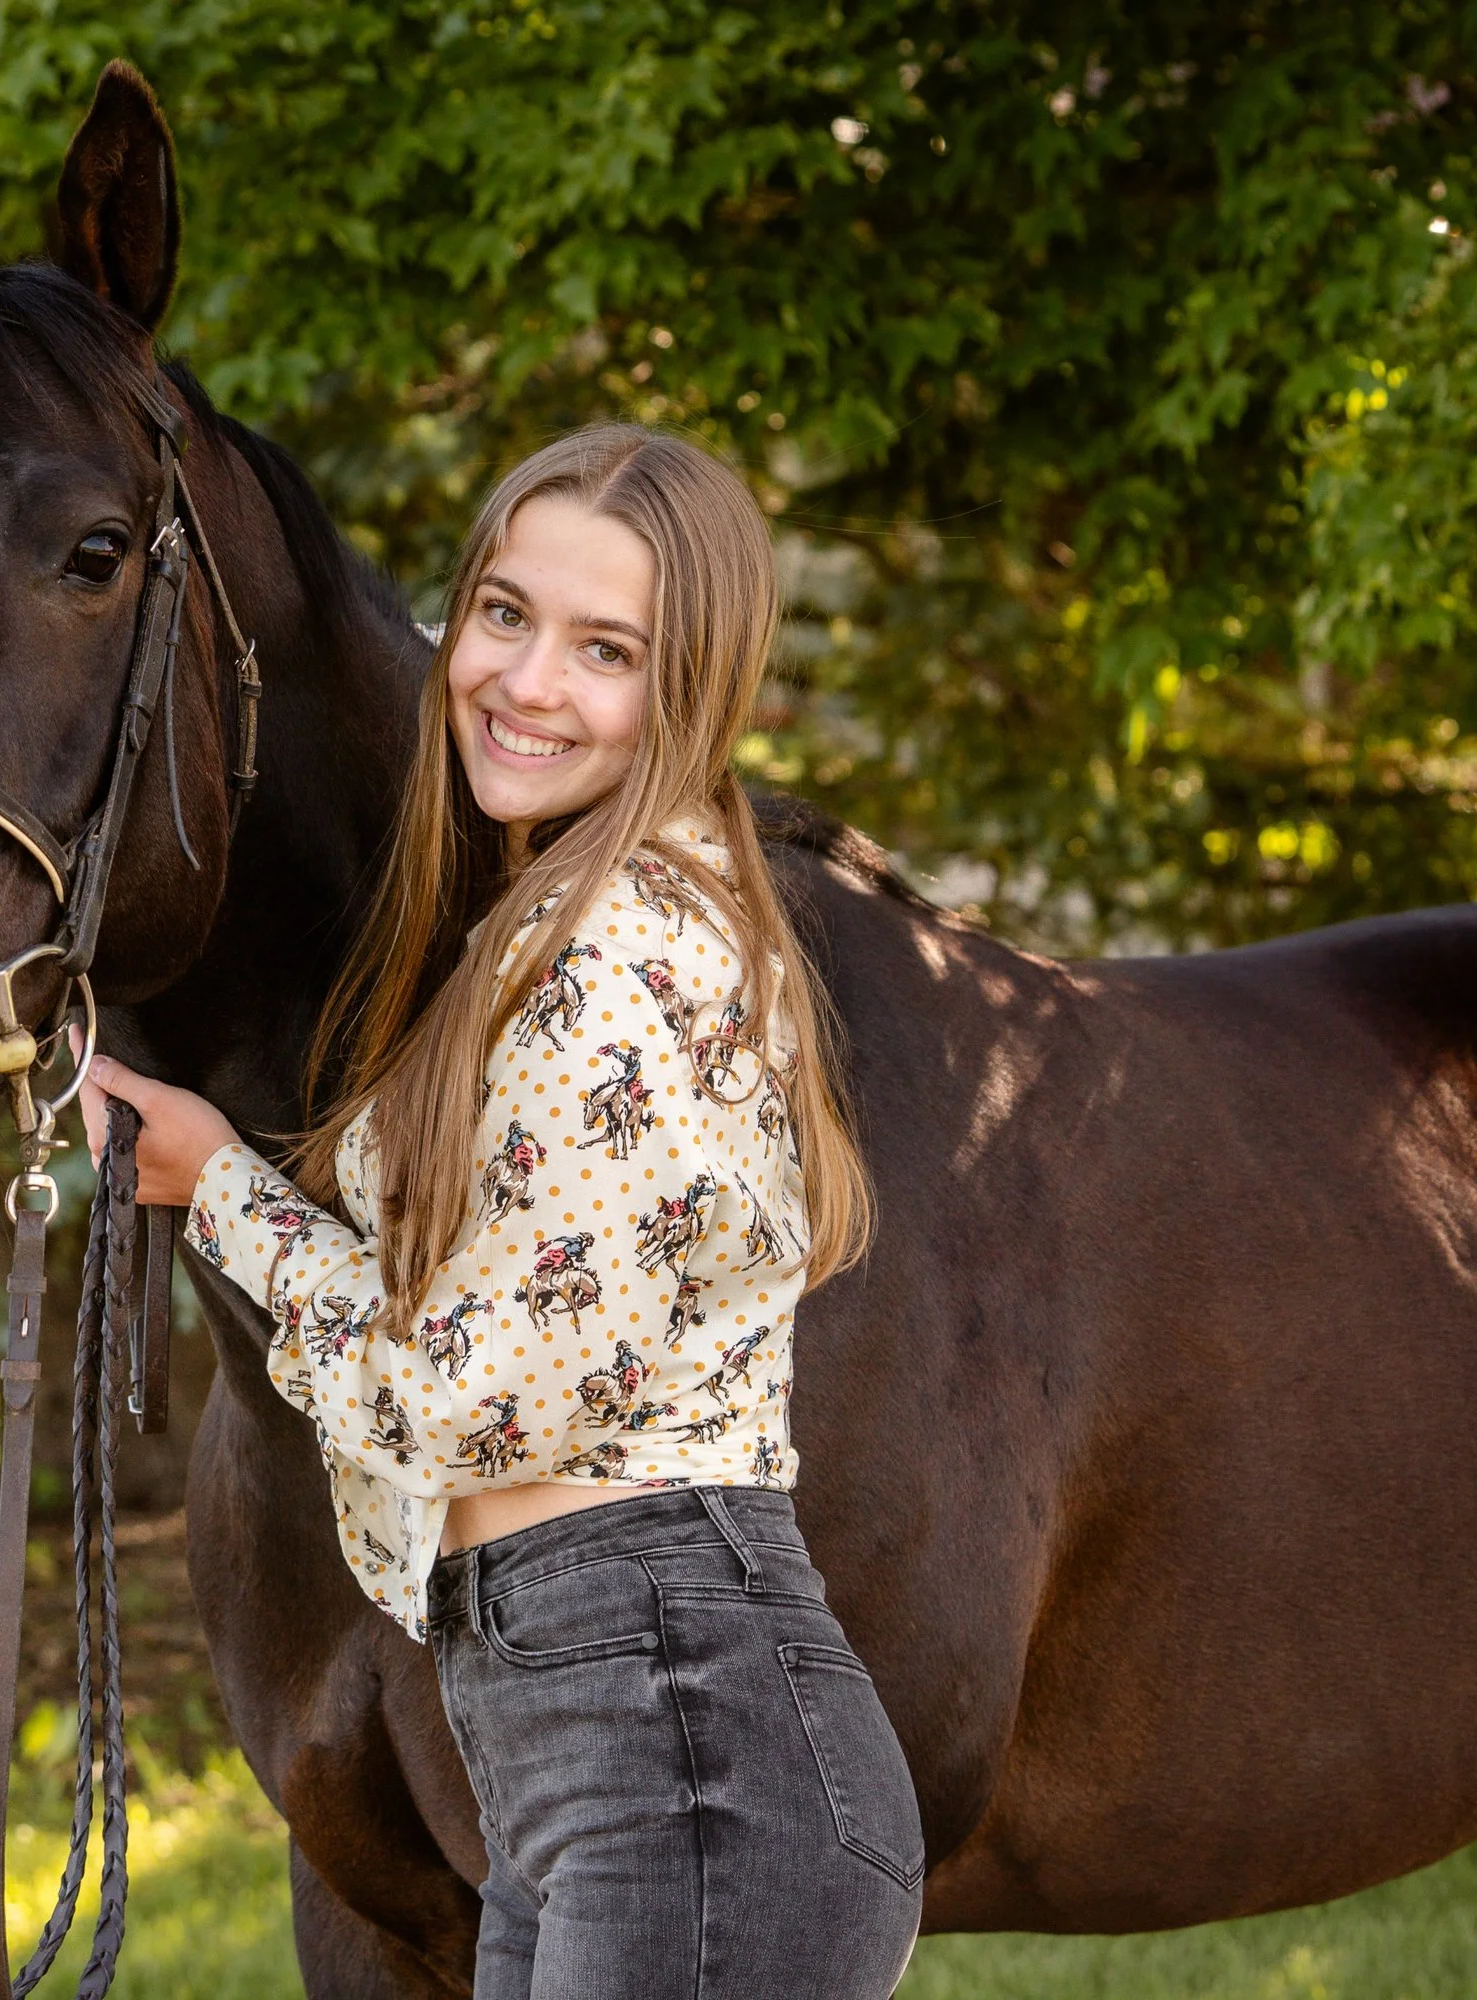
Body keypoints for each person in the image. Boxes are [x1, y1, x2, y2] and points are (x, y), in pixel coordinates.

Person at [80, 424, 925, 1997]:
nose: (528, 683)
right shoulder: (548, 920)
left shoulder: (618, 959)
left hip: (686, 1772)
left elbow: (461, 1408)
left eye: (607, 649)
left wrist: (226, 1197)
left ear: (694, 688)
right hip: (598, 1755)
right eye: (505, 614)